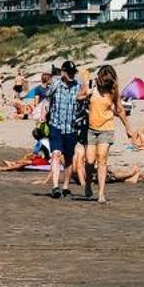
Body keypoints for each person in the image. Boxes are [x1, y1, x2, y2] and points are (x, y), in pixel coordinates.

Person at [83, 65, 139, 202]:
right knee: (90, 161)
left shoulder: (113, 91)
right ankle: (89, 183)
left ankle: (101, 194)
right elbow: (79, 97)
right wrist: (85, 92)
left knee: (102, 159)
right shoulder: (92, 87)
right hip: (91, 129)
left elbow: (119, 110)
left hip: (106, 129)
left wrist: (128, 127)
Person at [46, 62, 84, 199]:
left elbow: (84, 99)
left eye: (74, 72)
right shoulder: (56, 84)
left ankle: (66, 186)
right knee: (56, 154)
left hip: (71, 128)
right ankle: (55, 186)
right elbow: (47, 95)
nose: (72, 75)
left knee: (68, 158)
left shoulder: (78, 86)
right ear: (63, 72)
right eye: (69, 72)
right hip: (55, 125)